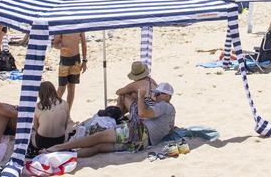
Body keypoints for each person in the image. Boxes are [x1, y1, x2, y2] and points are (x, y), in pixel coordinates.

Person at [44, 82, 176, 156]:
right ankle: (65, 156)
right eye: (155, 93)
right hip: (143, 144)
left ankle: (60, 147)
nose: (156, 96)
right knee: (99, 147)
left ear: (167, 96)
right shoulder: (171, 111)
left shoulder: (163, 106)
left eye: (158, 94)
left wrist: (141, 97)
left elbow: (142, 113)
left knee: (99, 137)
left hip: (138, 132)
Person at [28, 81, 69, 156]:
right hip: (60, 141)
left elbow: (36, 128)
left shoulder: (38, 106)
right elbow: (65, 126)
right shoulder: (65, 104)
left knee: (31, 133)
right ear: (53, 90)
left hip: (41, 142)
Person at [52, 32, 87, 112]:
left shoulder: (80, 25)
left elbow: (84, 43)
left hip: (76, 60)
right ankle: (53, 111)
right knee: (61, 88)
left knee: (71, 88)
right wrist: (62, 48)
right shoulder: (63, 25)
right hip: (64, 59)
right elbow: (55, 44)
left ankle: (68, 113)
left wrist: (84, 61)